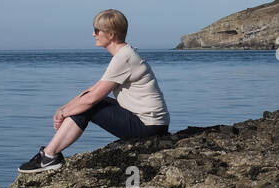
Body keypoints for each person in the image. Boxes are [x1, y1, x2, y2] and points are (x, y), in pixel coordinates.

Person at [18, 9, 170, 173]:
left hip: (149, 128)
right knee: (87, 103)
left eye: (97, 30)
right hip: (149, 123)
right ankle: (50, 154)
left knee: (89, 106)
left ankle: (49, 155)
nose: (93, 34)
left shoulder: (123, 58)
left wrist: (64, 114)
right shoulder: (124, 54)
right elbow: (93, 90)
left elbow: (91, 100)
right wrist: (63, 109)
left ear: (110, 34)